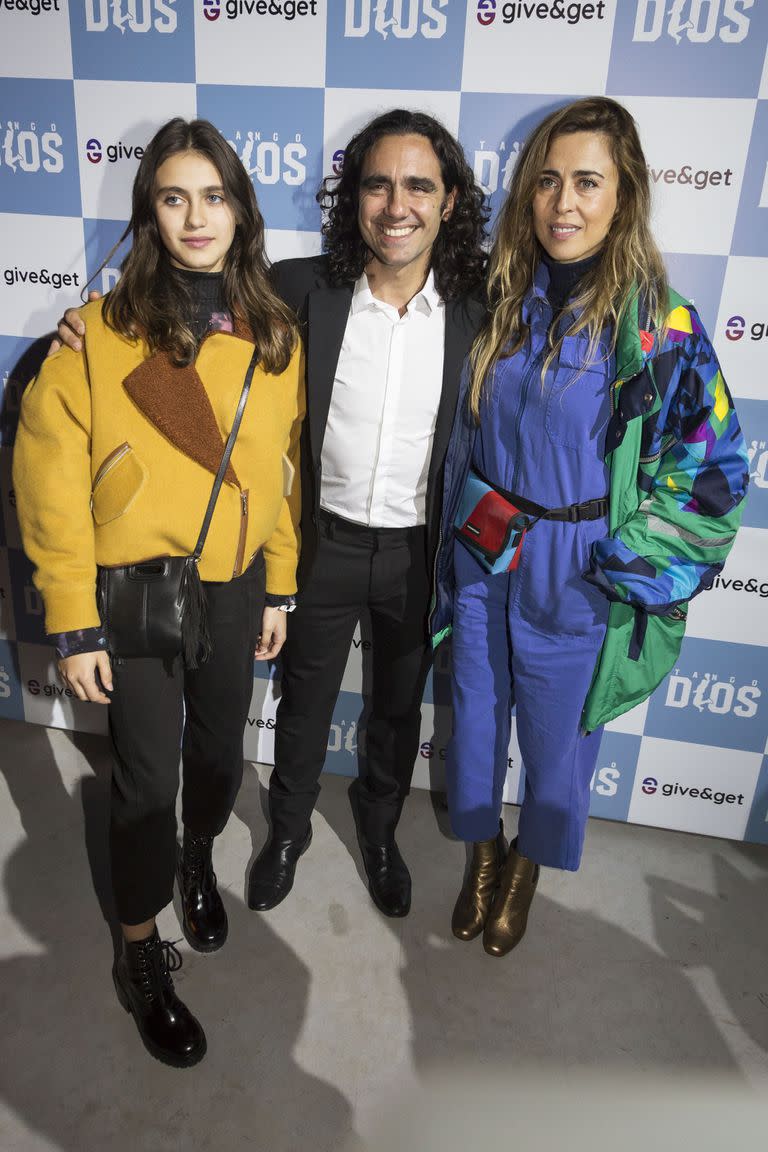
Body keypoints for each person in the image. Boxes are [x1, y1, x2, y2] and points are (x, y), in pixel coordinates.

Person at [56, 109, 489, 919]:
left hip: (418, 551)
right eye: (378, 184)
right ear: (353, 197)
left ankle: (381, 832)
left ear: (451, 201)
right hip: (315, 542)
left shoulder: (482, 309)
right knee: (301, 704)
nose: (398, 205)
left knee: (396, 712)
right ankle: (285, 834)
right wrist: (79, 329)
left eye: (420, 186)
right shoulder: (298, 290)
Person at [14, 118, 304, 1066]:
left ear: (240, 209)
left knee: (218, 760)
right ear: (148, 211)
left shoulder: (275, 335)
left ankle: (198, 854)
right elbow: (51, 484)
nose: (195, 217)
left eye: (213, 195)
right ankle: (139, 952)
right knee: (143, 783)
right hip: (132, 593)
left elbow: (282, 471)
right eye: (174, 197)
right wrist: (74, 619)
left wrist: (280, 587)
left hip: (236, 586)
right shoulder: (96, 332)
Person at [431, 96, 749, 957]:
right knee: (474, 712)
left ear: (624, 195)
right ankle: (482, 852)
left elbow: (714, 469)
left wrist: (631, 561)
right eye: (547, 181)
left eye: (586, 182)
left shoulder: (661, 323)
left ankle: (527, 864)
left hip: (576, 564)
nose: (563, 203)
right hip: (483, 540)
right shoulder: (499, 298)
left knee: (555, 737)